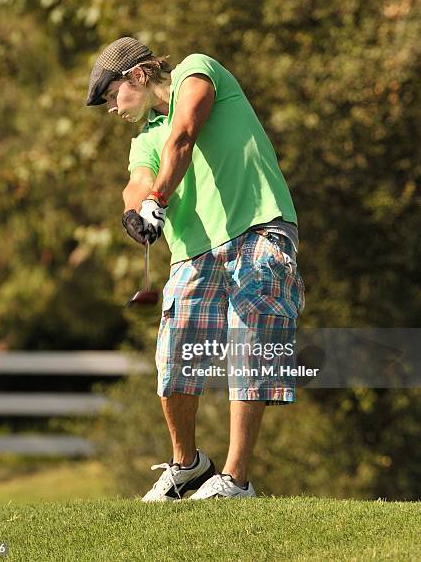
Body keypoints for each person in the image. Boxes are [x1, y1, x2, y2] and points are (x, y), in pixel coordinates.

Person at [86, 36, 305, 500]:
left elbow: (184, 135)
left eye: (112, 95)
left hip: (258, 225)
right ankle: (188, 466)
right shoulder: (144, 137)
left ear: (138, 75)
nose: (111, 108)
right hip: (193, 251)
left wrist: (157, 200)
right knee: (174, 354)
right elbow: (138, 181)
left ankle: (235, 479)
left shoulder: (197, 71)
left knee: (251, 345)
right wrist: (133, 211)